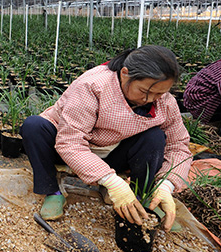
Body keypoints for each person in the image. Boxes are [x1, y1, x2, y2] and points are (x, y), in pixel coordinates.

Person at [20, 45, 192, 231]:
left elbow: (178, 145)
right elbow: (70, 142)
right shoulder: (93, 85)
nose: (151, 99)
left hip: (113, 152)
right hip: (65, 146)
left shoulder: (164, 101)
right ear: (125, 74)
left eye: (160, 93)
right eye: (145, 92)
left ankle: (143, 198)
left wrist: (167, 184)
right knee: (33, 127)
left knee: (154, 137)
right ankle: (53, 191)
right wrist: (112, 181)